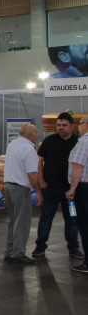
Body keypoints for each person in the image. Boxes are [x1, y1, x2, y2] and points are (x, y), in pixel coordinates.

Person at [33, 112, 81, 259]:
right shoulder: (49, 141)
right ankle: (40, 247)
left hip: (70, 189)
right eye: (59, 125)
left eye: (64, 125)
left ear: (72, 126)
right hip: (50, 188)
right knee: (46, 218)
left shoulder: (78, 142)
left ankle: (73, 248)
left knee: (72, 220)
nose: (60, 128)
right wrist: (41, 182)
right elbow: (39, 161)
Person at [2, 123, 42, 265]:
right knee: (22, 221)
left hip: (8, 185)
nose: (37, 135)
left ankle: (10, 249)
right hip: (20, 188)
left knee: (12, 219)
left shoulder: (13, 145)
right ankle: (18, 252)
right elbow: (31, 174)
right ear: (31, 134)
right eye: (36, 132)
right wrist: (38, 192)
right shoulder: (29, 149)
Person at [66, 116, 88, 273]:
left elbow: (78, 166)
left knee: (85, 226)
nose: (78, 128)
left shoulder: (84, 142)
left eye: (79, 125)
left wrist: (72, 188)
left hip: (84, 189)